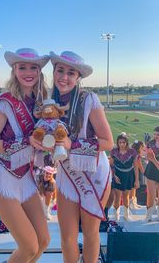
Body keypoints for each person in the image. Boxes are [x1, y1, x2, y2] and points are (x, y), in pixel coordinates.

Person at [32, 51, 113, 263]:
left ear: (78, 77)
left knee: (90, 232)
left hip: (93, 173)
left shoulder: (89, 99)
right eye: (60, 70)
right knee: (67, 237)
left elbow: (108, 142)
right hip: (67, 175)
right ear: (54, 71)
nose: (64, 77)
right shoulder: (48, 103)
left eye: (71, 72)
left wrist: (73, 144)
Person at [0, 48, 50, 263]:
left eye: (33, 67)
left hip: (25, 176)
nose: (28, 72)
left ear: (39, 72)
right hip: (2, 175)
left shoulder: (42, 102)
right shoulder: (6, 102)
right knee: (29, 246)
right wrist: (24, 141)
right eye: (22, 67)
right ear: (14, 71)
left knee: (44, 240)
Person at [109, 133, 139, 222]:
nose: (121, 144)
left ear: (127, 142)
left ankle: (126, 215)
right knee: (117, 196)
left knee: (126, 196)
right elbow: (111, 165)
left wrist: (137, 180)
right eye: (120, 142)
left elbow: (136, 167)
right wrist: (114, 176)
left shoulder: (132, 152)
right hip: (117, 175)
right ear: (117, 142)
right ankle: (116, 216)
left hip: (129, 175)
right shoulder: (114, 151)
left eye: (123, 142)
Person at [144, 126, 159, 221]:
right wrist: (152, 159)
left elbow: (152, 158)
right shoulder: (150, 143)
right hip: (151, 170)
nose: (156, 136)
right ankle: (148, 215)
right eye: (155, 134)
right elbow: (147, 157)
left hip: (155, 164)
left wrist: (153, 159)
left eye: (158, 134)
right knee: (151, 195)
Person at [130, 140, 145, 209]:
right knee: (133, 188)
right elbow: (140, 166)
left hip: (132, 171)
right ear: (140, 148)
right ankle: (131, 204)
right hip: (135, 172)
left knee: (134, 188)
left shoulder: (133, 153)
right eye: (142, 148)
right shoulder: (137, 155)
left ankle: (134, 203)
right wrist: (145, 172)